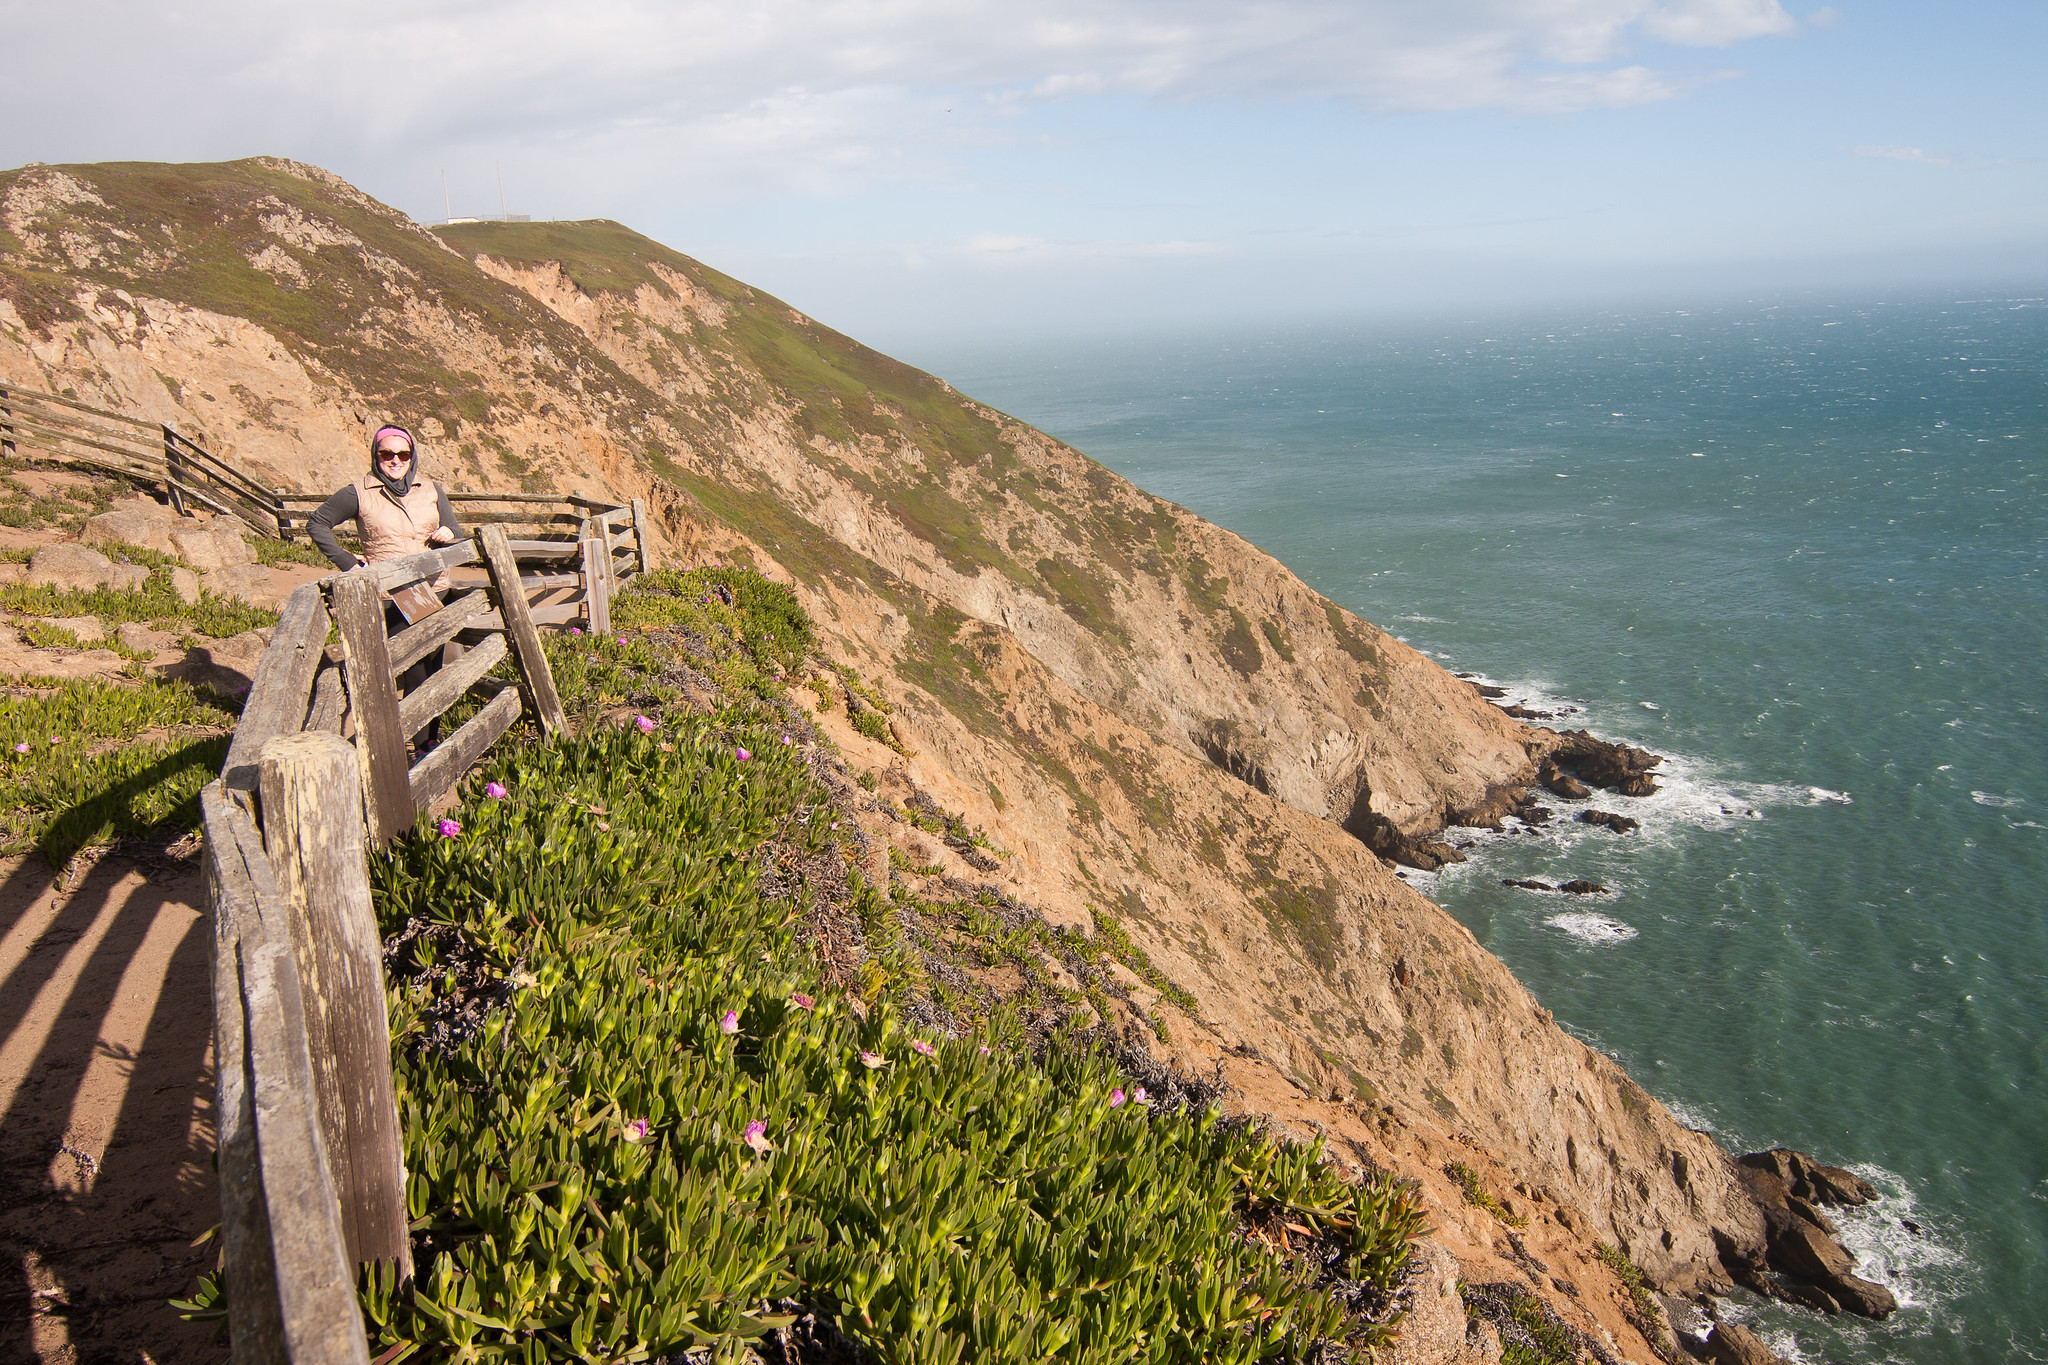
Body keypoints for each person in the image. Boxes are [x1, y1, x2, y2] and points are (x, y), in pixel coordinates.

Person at [306, 424, 463, 749]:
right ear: (376, 456)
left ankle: (429, 740)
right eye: (386, 453)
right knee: (413, 667)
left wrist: (448, 532)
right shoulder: (359, 492)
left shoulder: (430, 489)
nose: (395, 460)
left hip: (435, 587)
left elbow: (455, 530)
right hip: (394, 593)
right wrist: (347, 561)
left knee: (433, 665)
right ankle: (417, 745)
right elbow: (317, 523)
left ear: (412, 456)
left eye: (402, 454)